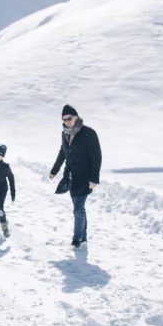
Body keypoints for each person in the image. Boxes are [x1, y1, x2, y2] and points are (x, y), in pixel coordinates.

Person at [49, 104, 102, 249]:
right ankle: (83, 237)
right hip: (71, 177)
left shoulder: (88, 133)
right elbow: (63, 152)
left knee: (78, 209)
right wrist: (54, 170)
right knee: (79, 209)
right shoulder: (64, 134)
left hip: (85, 178)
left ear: (76, 117)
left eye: (69, 118)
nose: (67, 121)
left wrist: (94, 179)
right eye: (64, 119)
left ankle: (77, 239)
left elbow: (96, 157)